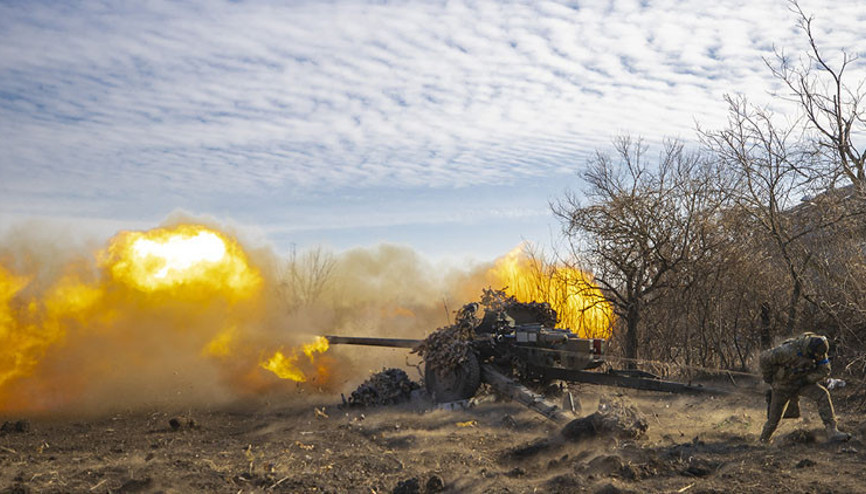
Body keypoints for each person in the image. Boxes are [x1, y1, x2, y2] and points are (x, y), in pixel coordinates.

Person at [759, 332, 851, 443]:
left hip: (803, 384)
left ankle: (832, 431)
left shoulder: (819, 350)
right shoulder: (786, 351)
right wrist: (769, 378)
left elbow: (824, 370)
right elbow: (764, 358)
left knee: (822, 394)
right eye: (816, 355)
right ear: (810, 350)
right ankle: (764, 440)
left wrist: (807, 379)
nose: (818, 357)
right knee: (774, 419)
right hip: (783, 386)